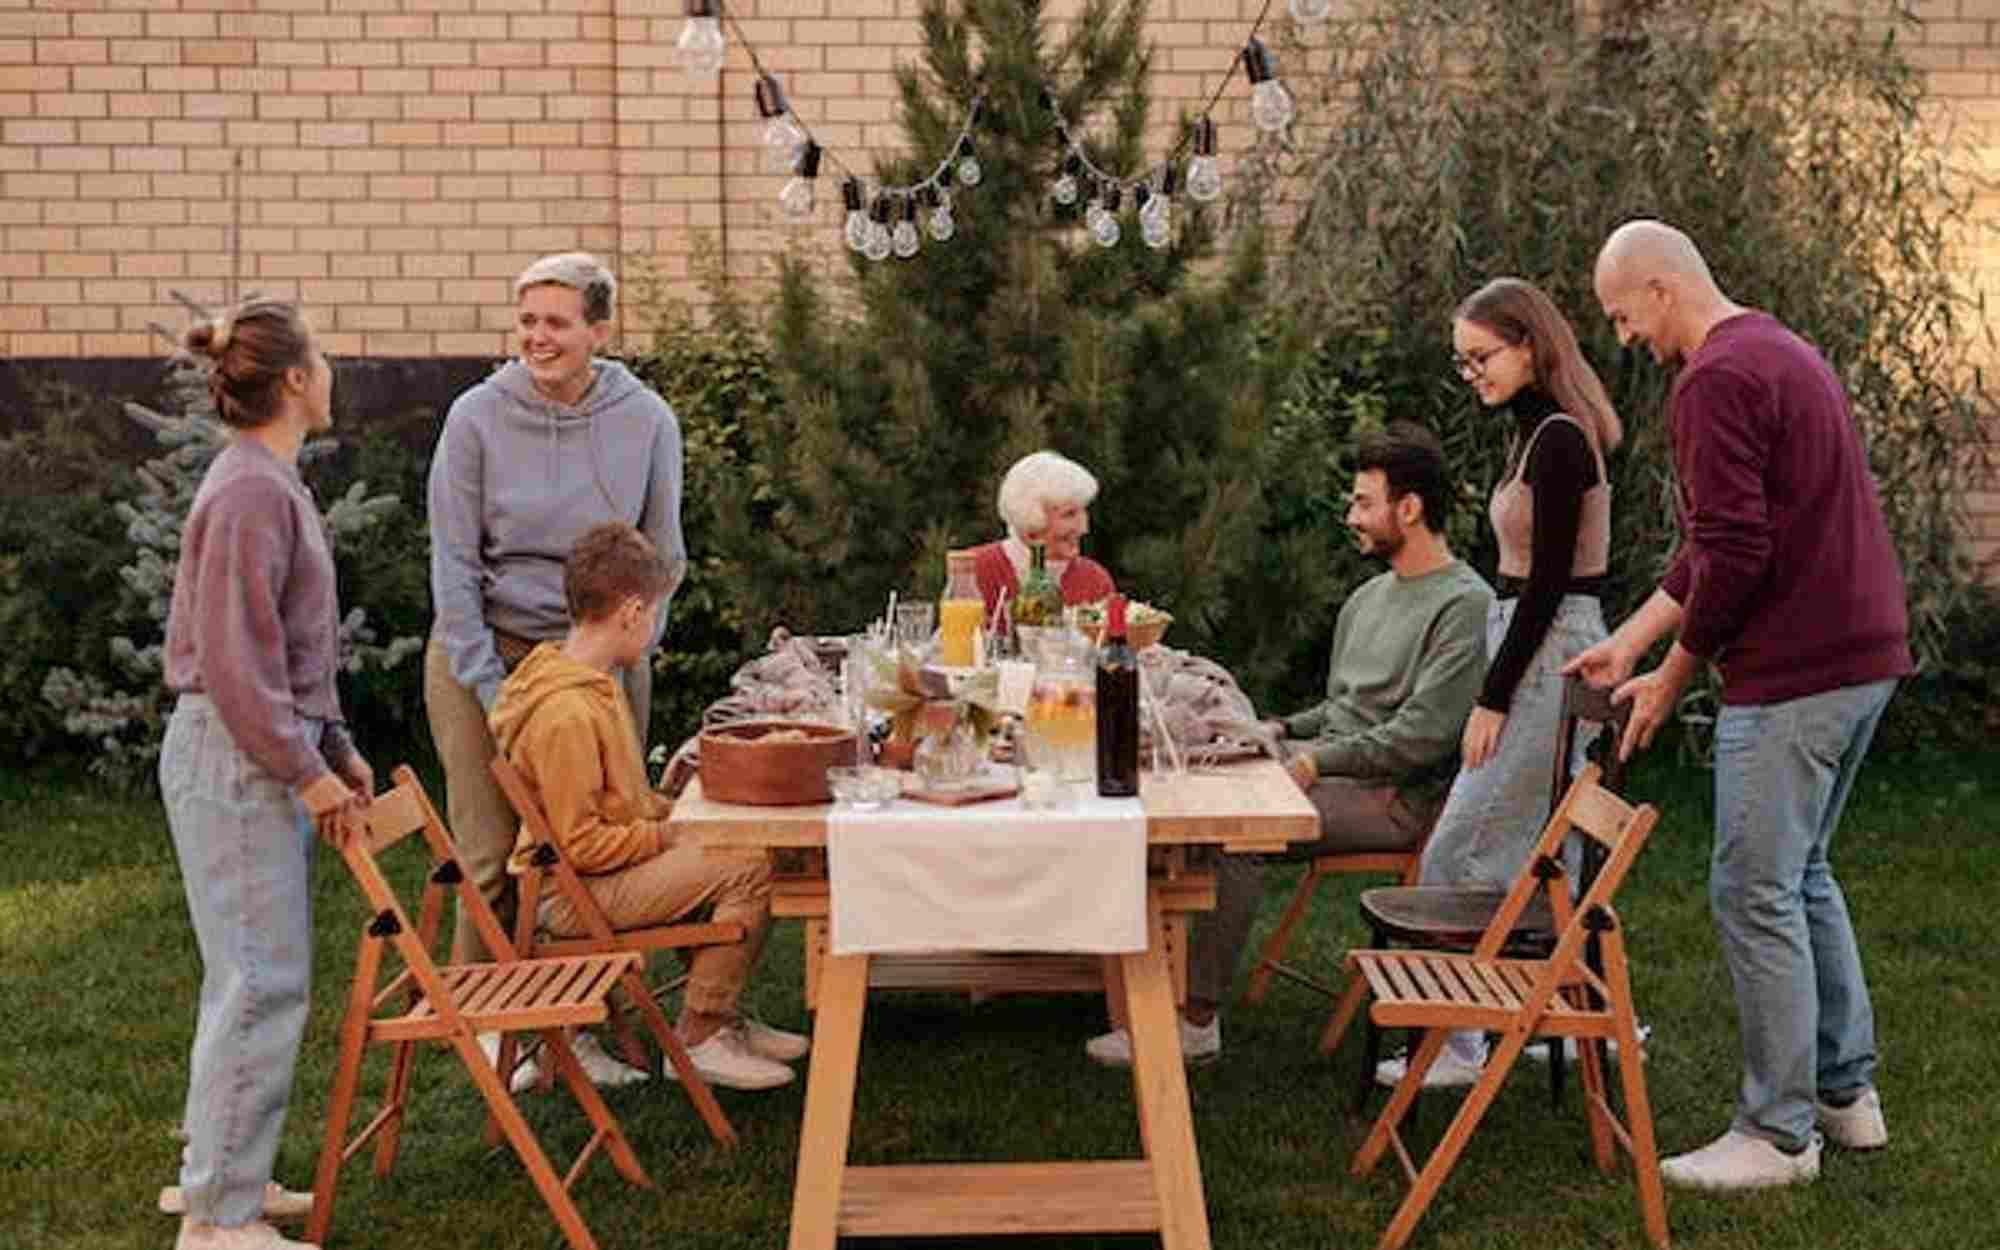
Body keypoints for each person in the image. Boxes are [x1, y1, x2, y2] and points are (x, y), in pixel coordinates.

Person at [1569, 219, 1910, 1191]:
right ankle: (1845, 1097)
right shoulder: (1778, 348)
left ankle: (1775, 1132)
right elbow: (1719, 540)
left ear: (1660, 286)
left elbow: (1737, 554)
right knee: (1799, 875)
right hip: (1858, 657)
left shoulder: (1712, 379)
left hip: (1796, 672)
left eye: (1619, 312)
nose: (1622, 336)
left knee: (1752, 889)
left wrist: (1672, 675)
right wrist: (1631, 639)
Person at [1085, 421, 1493, 1067]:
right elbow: (1343, 709)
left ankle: (1195, 1022)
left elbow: (1422, 737)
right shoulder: (1369, 597)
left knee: (1235, 834)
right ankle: (1124, 987)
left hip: (1394, 796)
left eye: (1364, 501)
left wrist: (1310, 761)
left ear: (1409, 509)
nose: (1351, 515)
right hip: (1334, 771)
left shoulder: (1464, 605)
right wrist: (1276, 731)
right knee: (1172, 794)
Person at [157, 299, 372, 1250]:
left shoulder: (265, 481)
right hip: (237, 753)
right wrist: (304, 770)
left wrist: (333, 750)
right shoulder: (250, 490)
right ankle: (219, 1223)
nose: (329, 372)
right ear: (293, 379)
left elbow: (288, 651)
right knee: (258, 977)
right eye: (319, 357)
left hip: (256, 745)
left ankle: (224, 1176)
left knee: (249, 973)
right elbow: (239, 665)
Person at [1376, 277, 1624, 1089]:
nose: (1472, 372)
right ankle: (1517, 1018)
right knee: (1493, 834)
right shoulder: (1532, 433)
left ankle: (1464, 1038)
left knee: (1465, 839)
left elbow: (1549, 582)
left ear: (1529, 345)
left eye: (1481, 356)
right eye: (1463, 361)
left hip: (1550, 645)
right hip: (1528, 635)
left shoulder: (1559, 439)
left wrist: (1493, 696)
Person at [424, 252, 686, 1007]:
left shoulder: (646, 420)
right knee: (493, 853)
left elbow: (664, 554)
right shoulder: (476, 417)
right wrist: (493, 687)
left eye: (557, 323)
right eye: (527, 321)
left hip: (602, 658)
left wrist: (627, 651)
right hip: (488, 650)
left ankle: (589, 1020)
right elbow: (452, 563)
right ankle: (485, 1025)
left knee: (598, 845)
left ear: (599, 331)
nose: (537, 338)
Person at [489, 523, 808, 1090]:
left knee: (743, 843)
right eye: (656, 612)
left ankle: (721, 1017)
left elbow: (624, 804)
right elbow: (579, 845)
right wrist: (671, 836)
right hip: (570, 896)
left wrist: (681, 811)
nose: (656, 626)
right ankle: (702, 1034)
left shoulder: (593, 684)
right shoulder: (565, 715)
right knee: (749, 865)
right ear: (632, 612)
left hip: (602, 872)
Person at [967, 449, 1117, 616]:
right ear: (1030, 518)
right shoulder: (973, 569)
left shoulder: (1095, 581)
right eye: (1069, 514)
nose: (1083, 528)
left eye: (1083, 512)